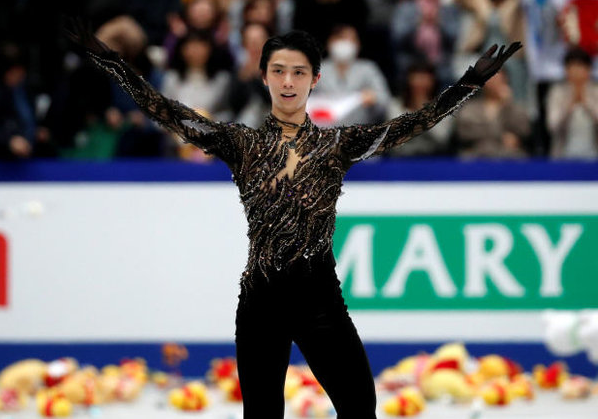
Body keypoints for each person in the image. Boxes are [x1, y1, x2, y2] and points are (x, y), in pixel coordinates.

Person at [68, 24, 520, 419]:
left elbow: (414, 123)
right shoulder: (238, 143)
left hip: (321, 299)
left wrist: (470, 83)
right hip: (260, 303)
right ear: (264, 77)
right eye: (279, 71)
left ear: (315, 79)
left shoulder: (338, 145)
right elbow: (165, 109)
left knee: (360, 407)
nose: (288, 81)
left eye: (299, 72)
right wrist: (109, 61)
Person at [310, 24, 391, 126]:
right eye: (342, 38)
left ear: (358, 45)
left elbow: (385, 101)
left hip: (359, 132)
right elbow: (303, 100)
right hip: (323, 132)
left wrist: (374, 99)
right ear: (330, 42)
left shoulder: (368, 69)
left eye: (351, 39)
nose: (346, 43)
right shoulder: (317, 69)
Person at [546, 47, 598, 159]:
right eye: (572, 67)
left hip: (596, 157)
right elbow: (552, 126)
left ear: (589, 70)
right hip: (563, 157)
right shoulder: (557, 92)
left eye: (580, 66)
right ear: (566, 70)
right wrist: (569, 105)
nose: (576, 71)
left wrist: (588, 104)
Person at [386, 61, 453, 157]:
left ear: (433, 81)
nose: (420, 83)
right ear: (408, 80)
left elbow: (441, 138)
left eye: (425, 78)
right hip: (401, 159)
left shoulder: (444, 106)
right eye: (417, 78)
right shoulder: (395, 105)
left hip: (434, 158)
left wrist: (423, 111)